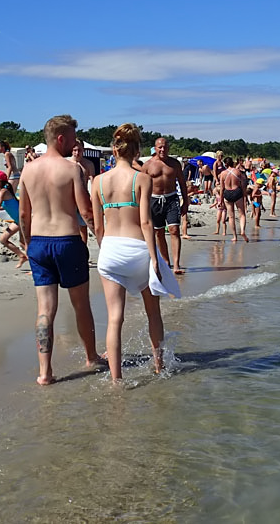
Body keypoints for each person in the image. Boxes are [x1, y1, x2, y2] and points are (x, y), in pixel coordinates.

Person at [19, 114, 102, 385]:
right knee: (81, 305)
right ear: (61, 138)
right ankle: (91, 357)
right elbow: (85, 211)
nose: (76, 143)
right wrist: (101, 238)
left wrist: (27, 242)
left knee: (45, 309)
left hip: (39, 243)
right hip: (67, 241)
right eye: (73, 137)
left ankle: (45, 372)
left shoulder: (28, 169)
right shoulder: (71, 170)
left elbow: (23, 214)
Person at [91, 123, 175, 382]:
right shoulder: (142, 178)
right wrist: (155, 259)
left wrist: (106, 250)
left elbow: (97, 226)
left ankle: (116, 380)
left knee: (115, 318)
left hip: (110, 250)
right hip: (138, 248)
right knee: (153, 313)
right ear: (137, 150)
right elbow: (146, 223)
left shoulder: (98, 181)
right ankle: (159, 366)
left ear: (114, 150)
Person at [142, 137, 188, 273]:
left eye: (165, 147)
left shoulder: (175, 164)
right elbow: (140, 186)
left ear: (168, 148)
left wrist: (185, 201)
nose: (162, 149)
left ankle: (176, 264)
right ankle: (166, 261)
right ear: (155, 148)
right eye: (160, 147)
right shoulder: (148, 165)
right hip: (154, 200)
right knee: (159, 232)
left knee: (174, 230)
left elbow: (182, 183)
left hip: (172, 198)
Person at [0, 170, 26, 268]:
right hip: (18, 220)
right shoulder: (1, 193)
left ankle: (36, 266)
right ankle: (22, 256)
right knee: (3, 239)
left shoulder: (3, 191)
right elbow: (5, 206)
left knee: (26, 244)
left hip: (23, 220)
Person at [218, 156, 249, 242]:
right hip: (237, 192)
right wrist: (245, 196)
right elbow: (243, 185)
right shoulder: (238, 172)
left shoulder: (223, 174)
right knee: (242, 214)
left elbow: (221, 188)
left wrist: (220, 200)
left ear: (225, 164)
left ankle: (234, 236)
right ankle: (242, 231)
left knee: (231, 216)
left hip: (227, 193)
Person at [71, 139, 95, 244]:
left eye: (79, 150)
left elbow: (93, 182)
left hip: (83, 198)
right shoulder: (66, 163)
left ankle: (84, 253)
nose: (77, 153)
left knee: (83, 228)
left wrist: (94, 198)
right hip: (69, 199)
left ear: (83, 150)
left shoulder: (88, 164)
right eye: (75, 150)